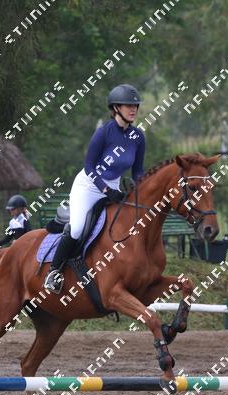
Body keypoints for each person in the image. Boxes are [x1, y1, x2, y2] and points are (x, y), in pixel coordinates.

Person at [43, 83, 145, 293]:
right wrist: (106, 191)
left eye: (135, 105)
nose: (133, 109)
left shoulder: (138, 137)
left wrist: (141, 189)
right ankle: (53, 273)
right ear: (116, 108)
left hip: (114, 187)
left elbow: (138, 172)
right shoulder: (103, 133)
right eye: (128, 105)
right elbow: (89, 167)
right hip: (89, 186)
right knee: (78, 228)